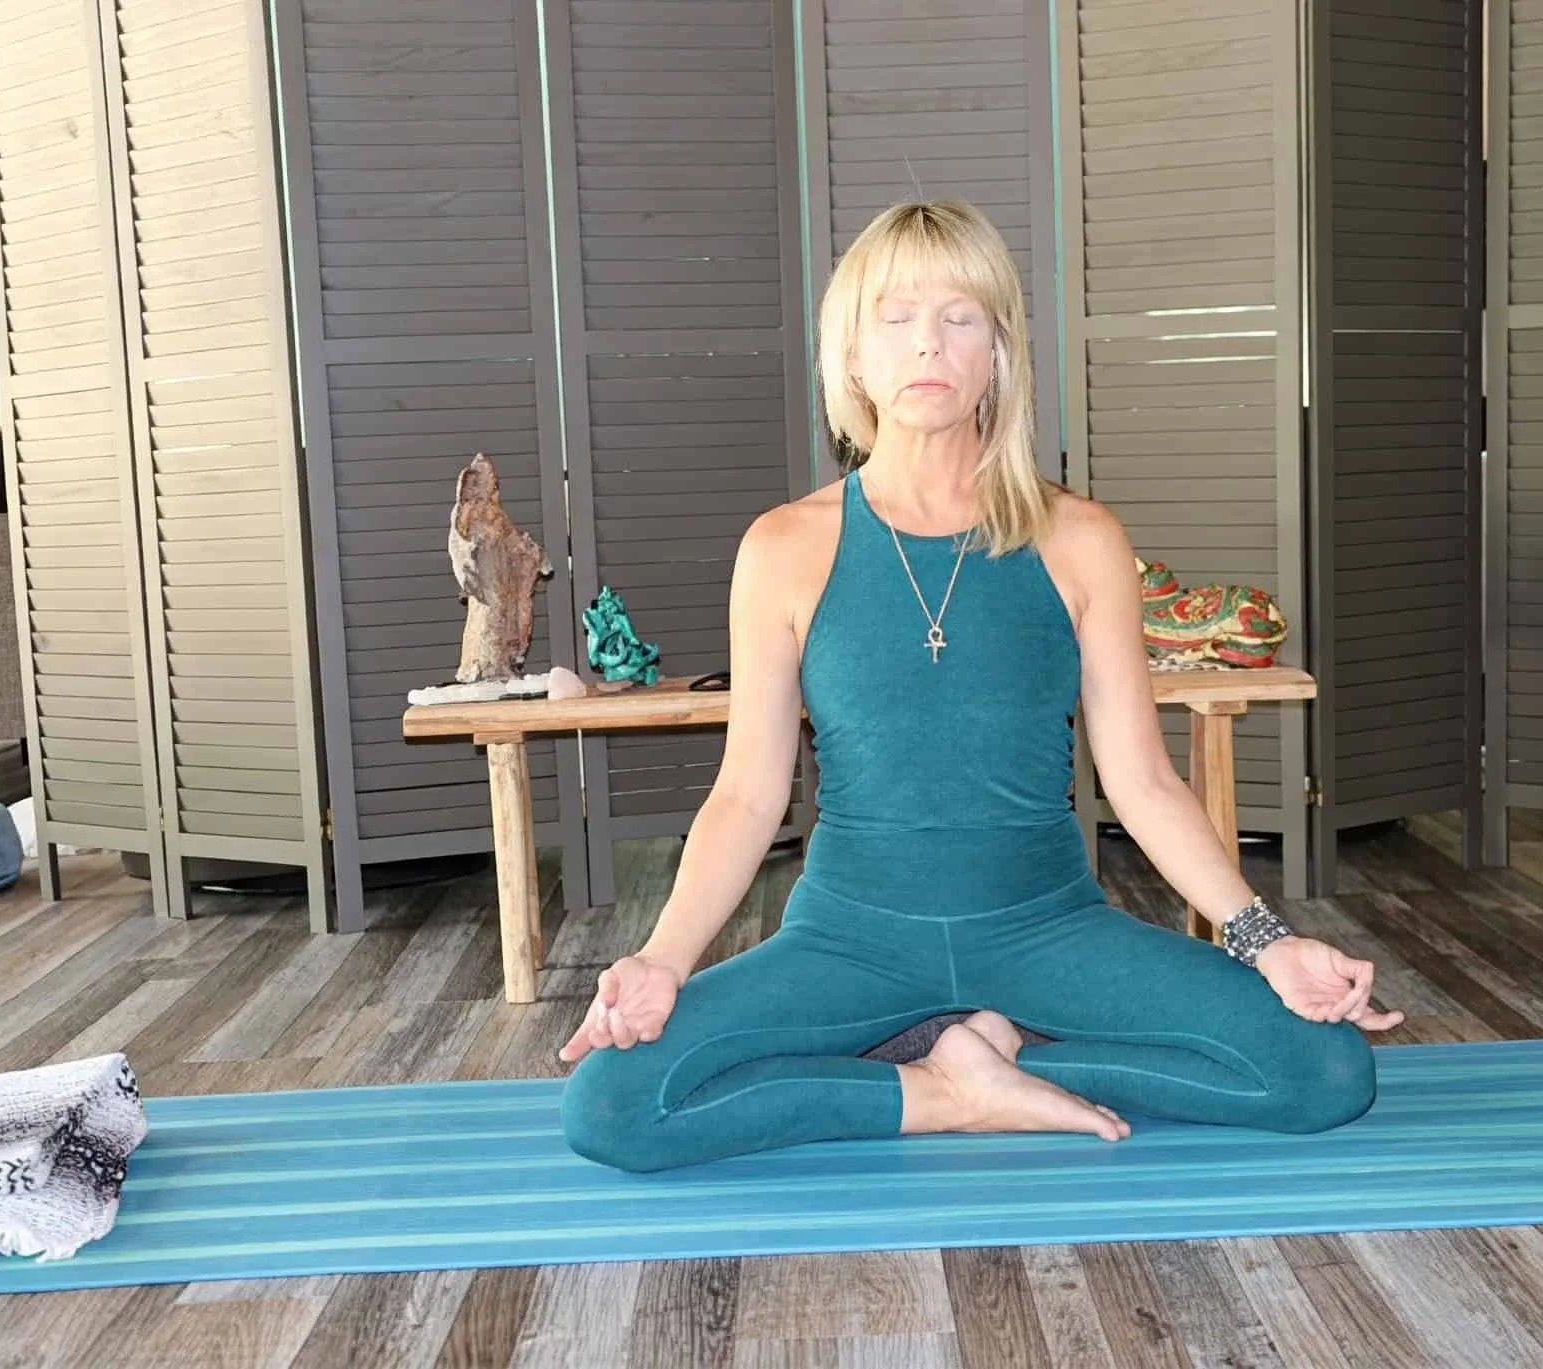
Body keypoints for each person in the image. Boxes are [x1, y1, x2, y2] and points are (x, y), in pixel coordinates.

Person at [556, 200, 1402, 1174]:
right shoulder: (784, 546)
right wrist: (660, 960)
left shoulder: (1080, 539)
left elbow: (1141, 781)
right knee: (612, 1107)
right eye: (896, 317)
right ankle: (938, 1086)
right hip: (849, 937)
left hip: (1046, 927)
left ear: (997, 352)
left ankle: (1003, 1045)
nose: (928, 344)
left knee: (1324, 1072)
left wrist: (1266, 942)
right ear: (852, 356)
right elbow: (747, 795)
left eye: (959, 317)